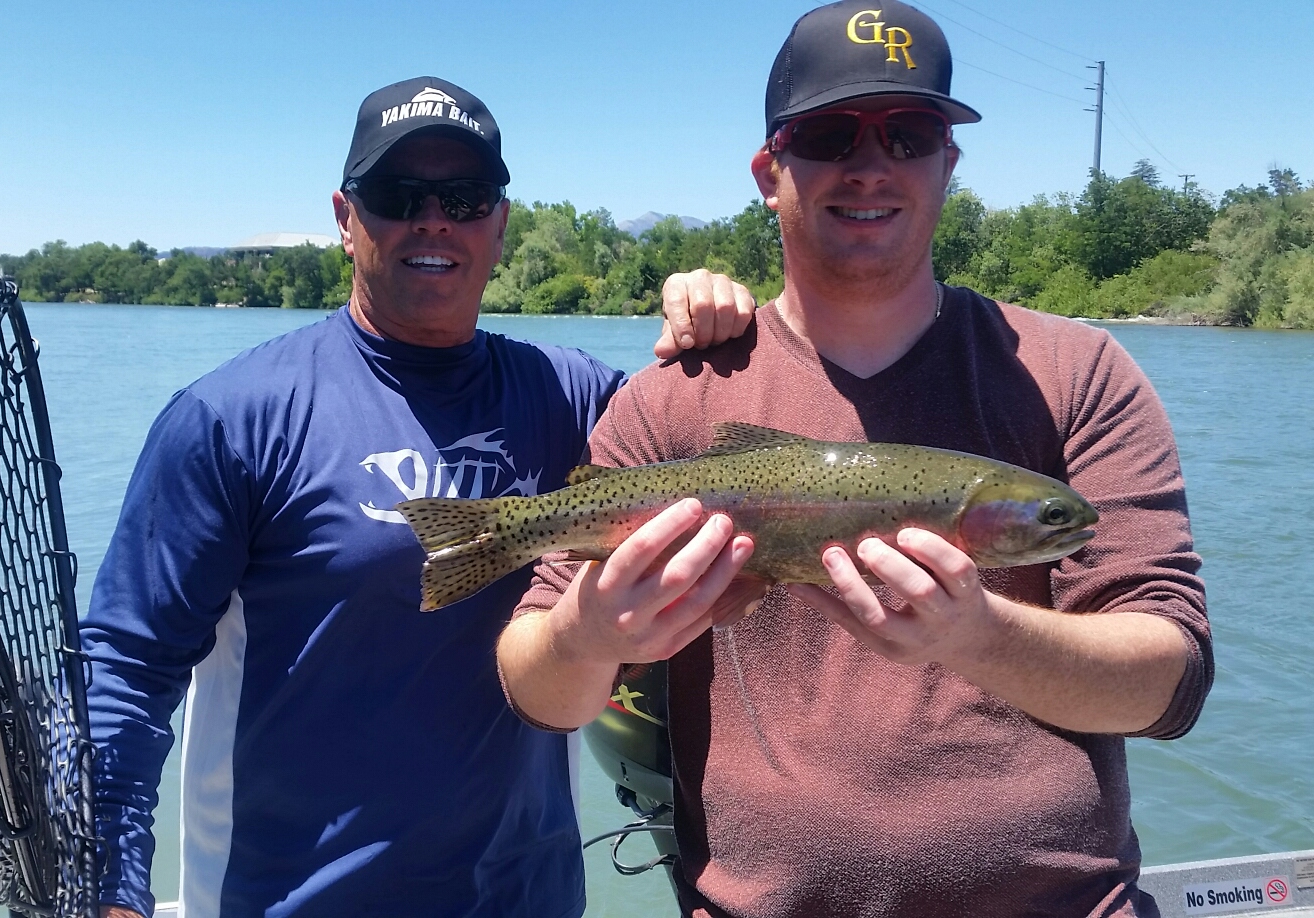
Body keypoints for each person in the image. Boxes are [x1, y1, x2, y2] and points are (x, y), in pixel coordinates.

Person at [496, 3, 1212, 916]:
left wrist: (977, 636)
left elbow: (1172, 682)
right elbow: (534, 681)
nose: (871, 165)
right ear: (771, 170)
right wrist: (591, 635)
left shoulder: (1076, 373)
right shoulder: (674, 396)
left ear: (947, 165)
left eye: (909, 134)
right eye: (832, 133)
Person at [82, 77, 754, 918]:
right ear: (345, 217)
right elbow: (123, 669)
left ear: (500, 225)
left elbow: (729, 460)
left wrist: (720, 331)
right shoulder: (231, 419)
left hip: (532, 899)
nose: (433, 219)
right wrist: (109, 888)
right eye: (399, 195)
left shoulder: (576, 399)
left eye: (465, 196)